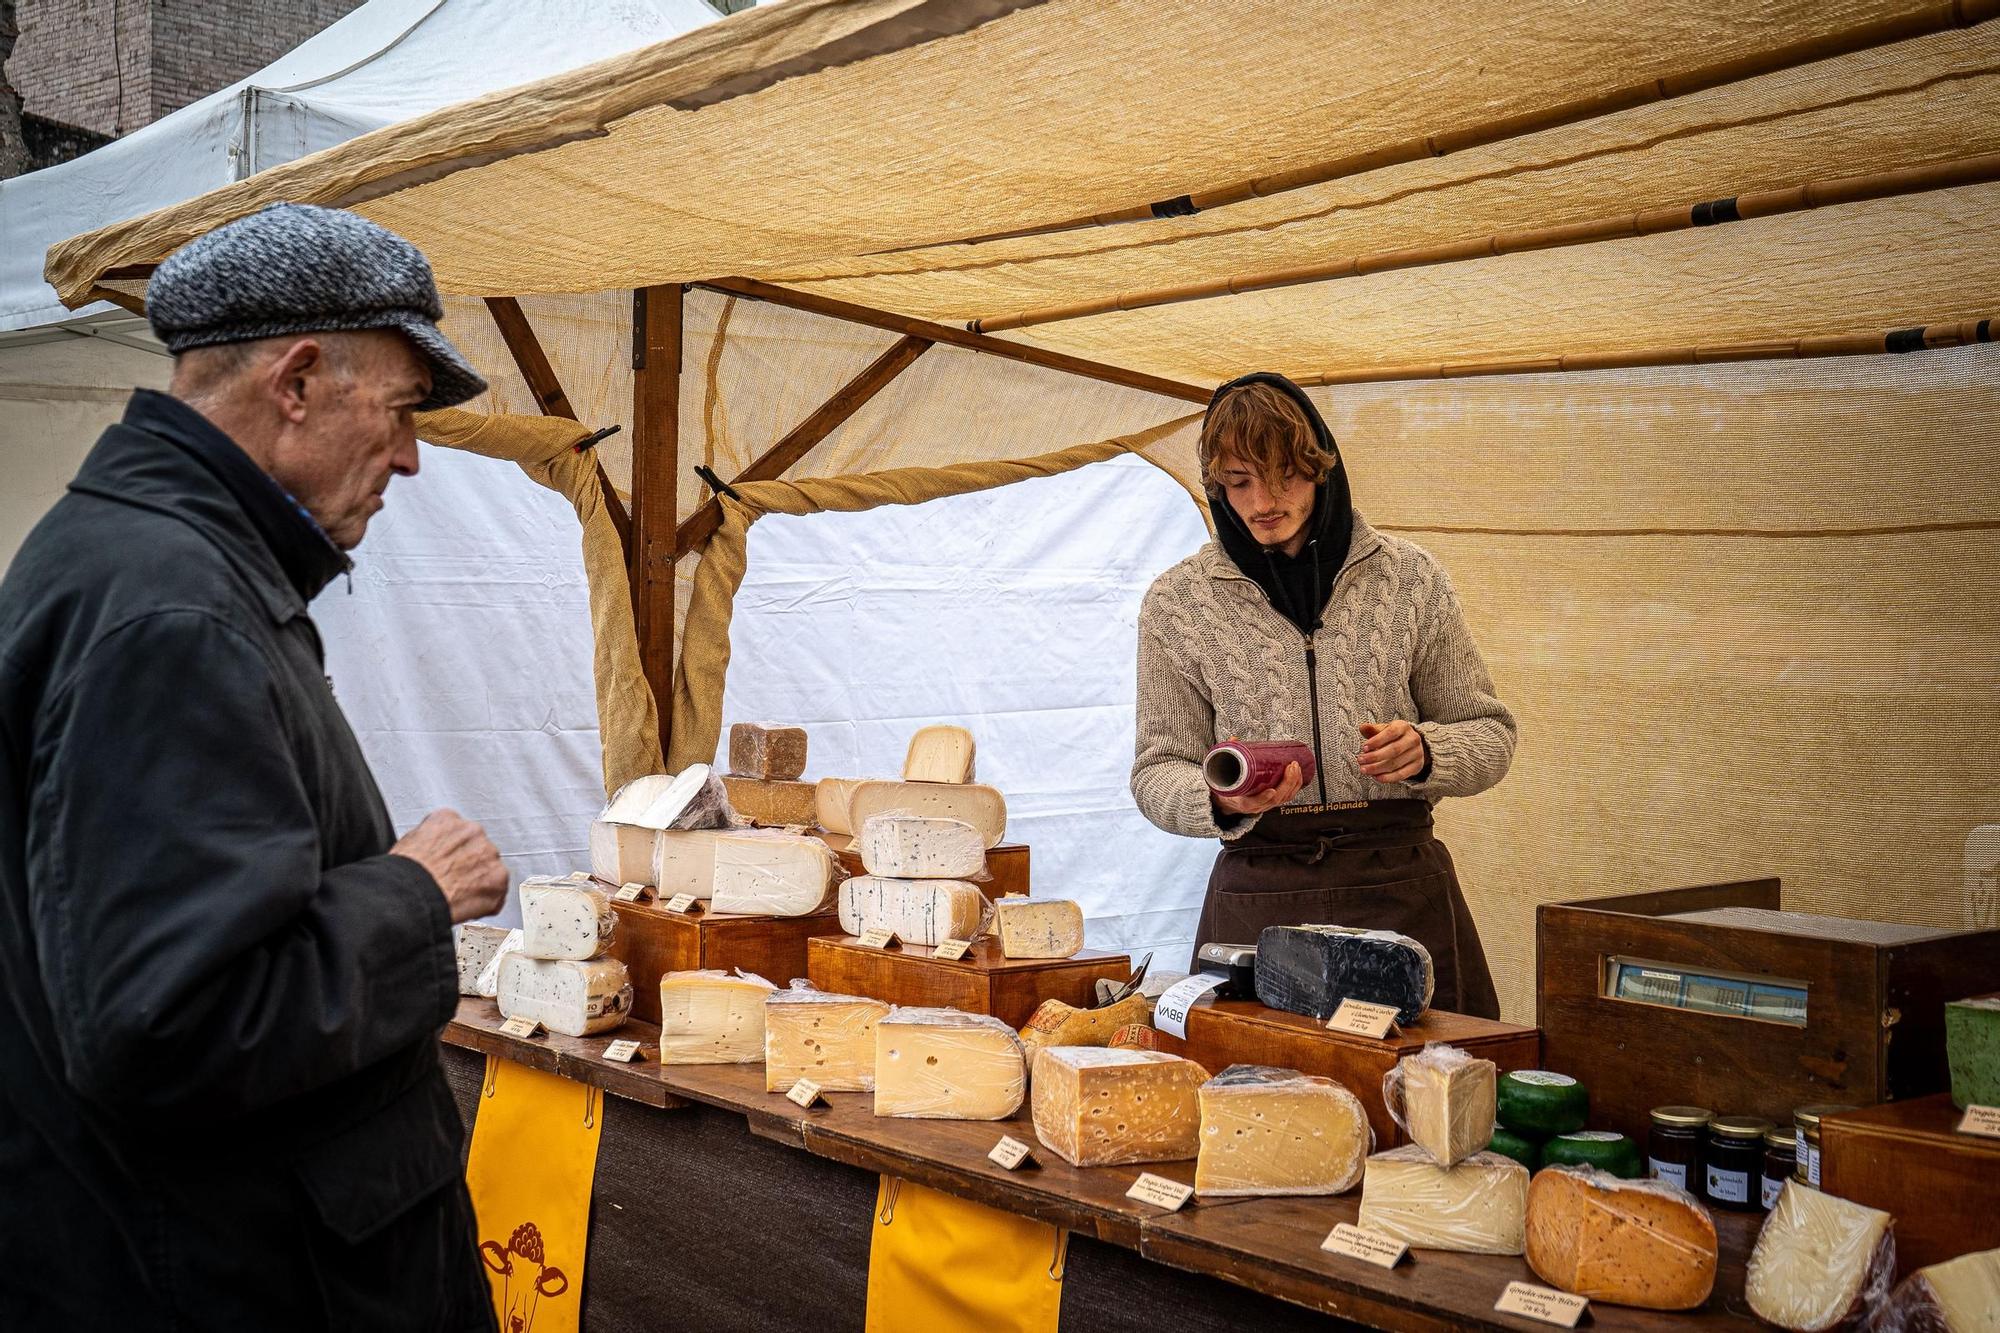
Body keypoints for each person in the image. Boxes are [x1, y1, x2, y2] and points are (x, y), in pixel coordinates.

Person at [0, 203, 509, 1329]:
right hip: (244, 1279)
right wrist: (414, 892)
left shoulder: (146, 562)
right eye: (402, 409)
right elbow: (173, 1024)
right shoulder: (170, 611)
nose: (413, 457)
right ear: (296, 381)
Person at [1132, 372, 1515, 1018]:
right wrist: (1218, 800)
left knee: (1426, 1103)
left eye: (1284, 475)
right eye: (1239, 481)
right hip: (1258, 894)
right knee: (1259, 1105)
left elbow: (1490, 731)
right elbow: (1154, 770)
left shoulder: (1410, 579)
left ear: (1320, 466)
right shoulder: (1177, 603)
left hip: (1399, 882)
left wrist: (1426, 751)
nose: (1263, 501)